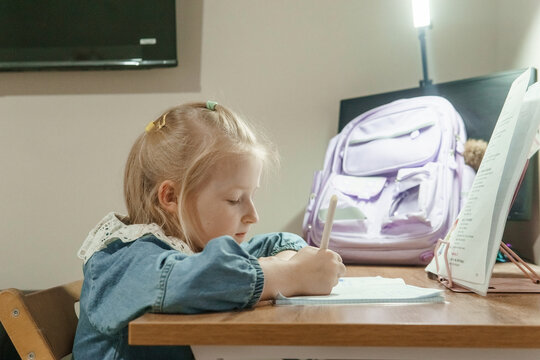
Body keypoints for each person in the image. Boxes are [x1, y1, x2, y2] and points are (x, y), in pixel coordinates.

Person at [73, 101, 345, 359]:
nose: (253, 215)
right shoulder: (126, 259)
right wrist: (291, 274)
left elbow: (275, 243)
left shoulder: (190, 247)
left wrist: (293, 264)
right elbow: (195, 279)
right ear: (171, 197)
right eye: (235, 199)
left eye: (252, 196)